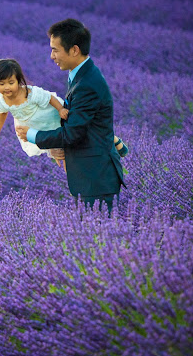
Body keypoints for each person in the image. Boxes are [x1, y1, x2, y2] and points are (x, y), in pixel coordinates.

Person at [15, 19, 125, 212]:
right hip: (90, 176)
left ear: (74, 50)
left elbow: (73, 134)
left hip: (96, 179)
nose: (52, 56)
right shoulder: (79, 76)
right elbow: (81, 125)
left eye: (55, 50)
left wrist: (32, 135)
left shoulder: (87, 84)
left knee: (99, 237)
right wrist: (55, 149)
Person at [0, 59, 128, 160]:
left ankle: (112, 138)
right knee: (60, 151)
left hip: (50, 115)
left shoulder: (29, 93)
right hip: (34, 125)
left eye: (11, 83)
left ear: (19, 81)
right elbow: (2, 112)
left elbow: (49, 98)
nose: (6, 87)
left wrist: (61, 109)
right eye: (1, 84)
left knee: (81, 128)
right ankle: (75, 183)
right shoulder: (2, 98)